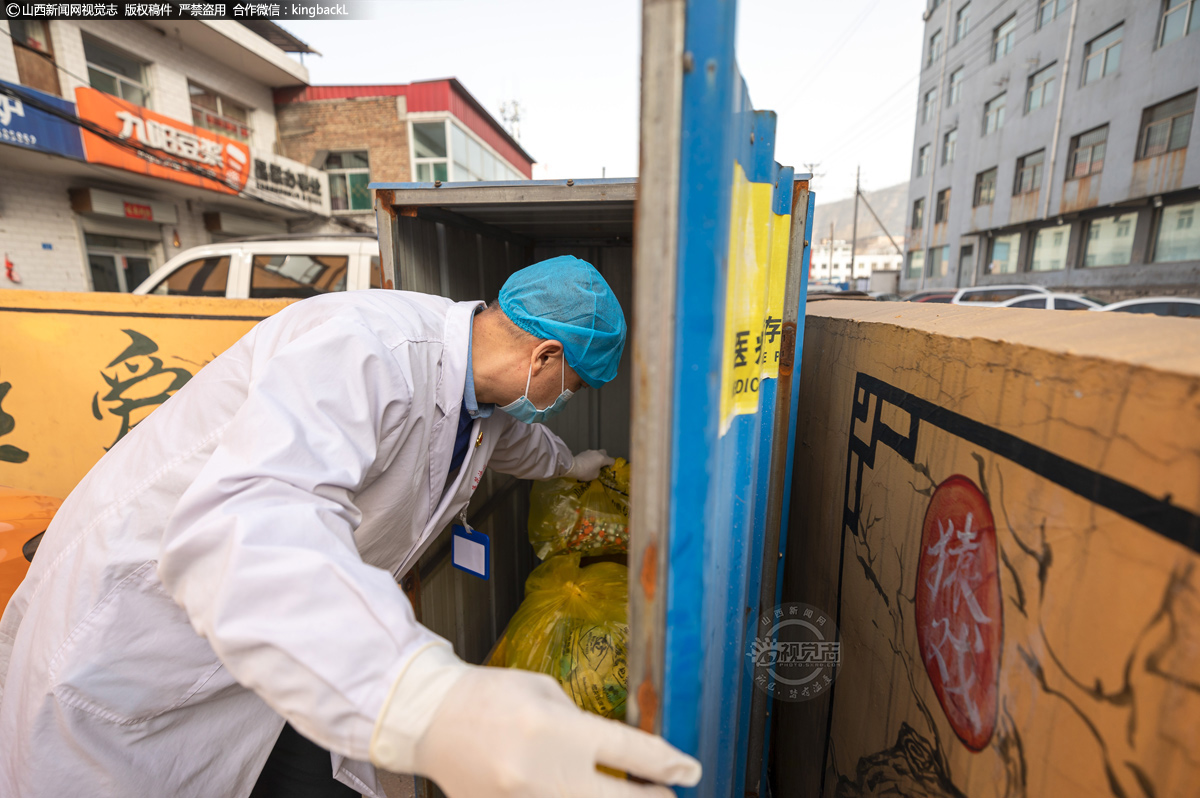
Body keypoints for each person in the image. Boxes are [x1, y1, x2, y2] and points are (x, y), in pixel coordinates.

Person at [0, 255, 701, 798]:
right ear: (545, 357)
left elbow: (511, 443)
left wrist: (572, 464)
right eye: (571, 389)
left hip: (269, 650)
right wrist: (431, 702)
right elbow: (256, 516)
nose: (562, 403)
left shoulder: (481, 395)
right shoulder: (364, 348)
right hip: (149, 636)